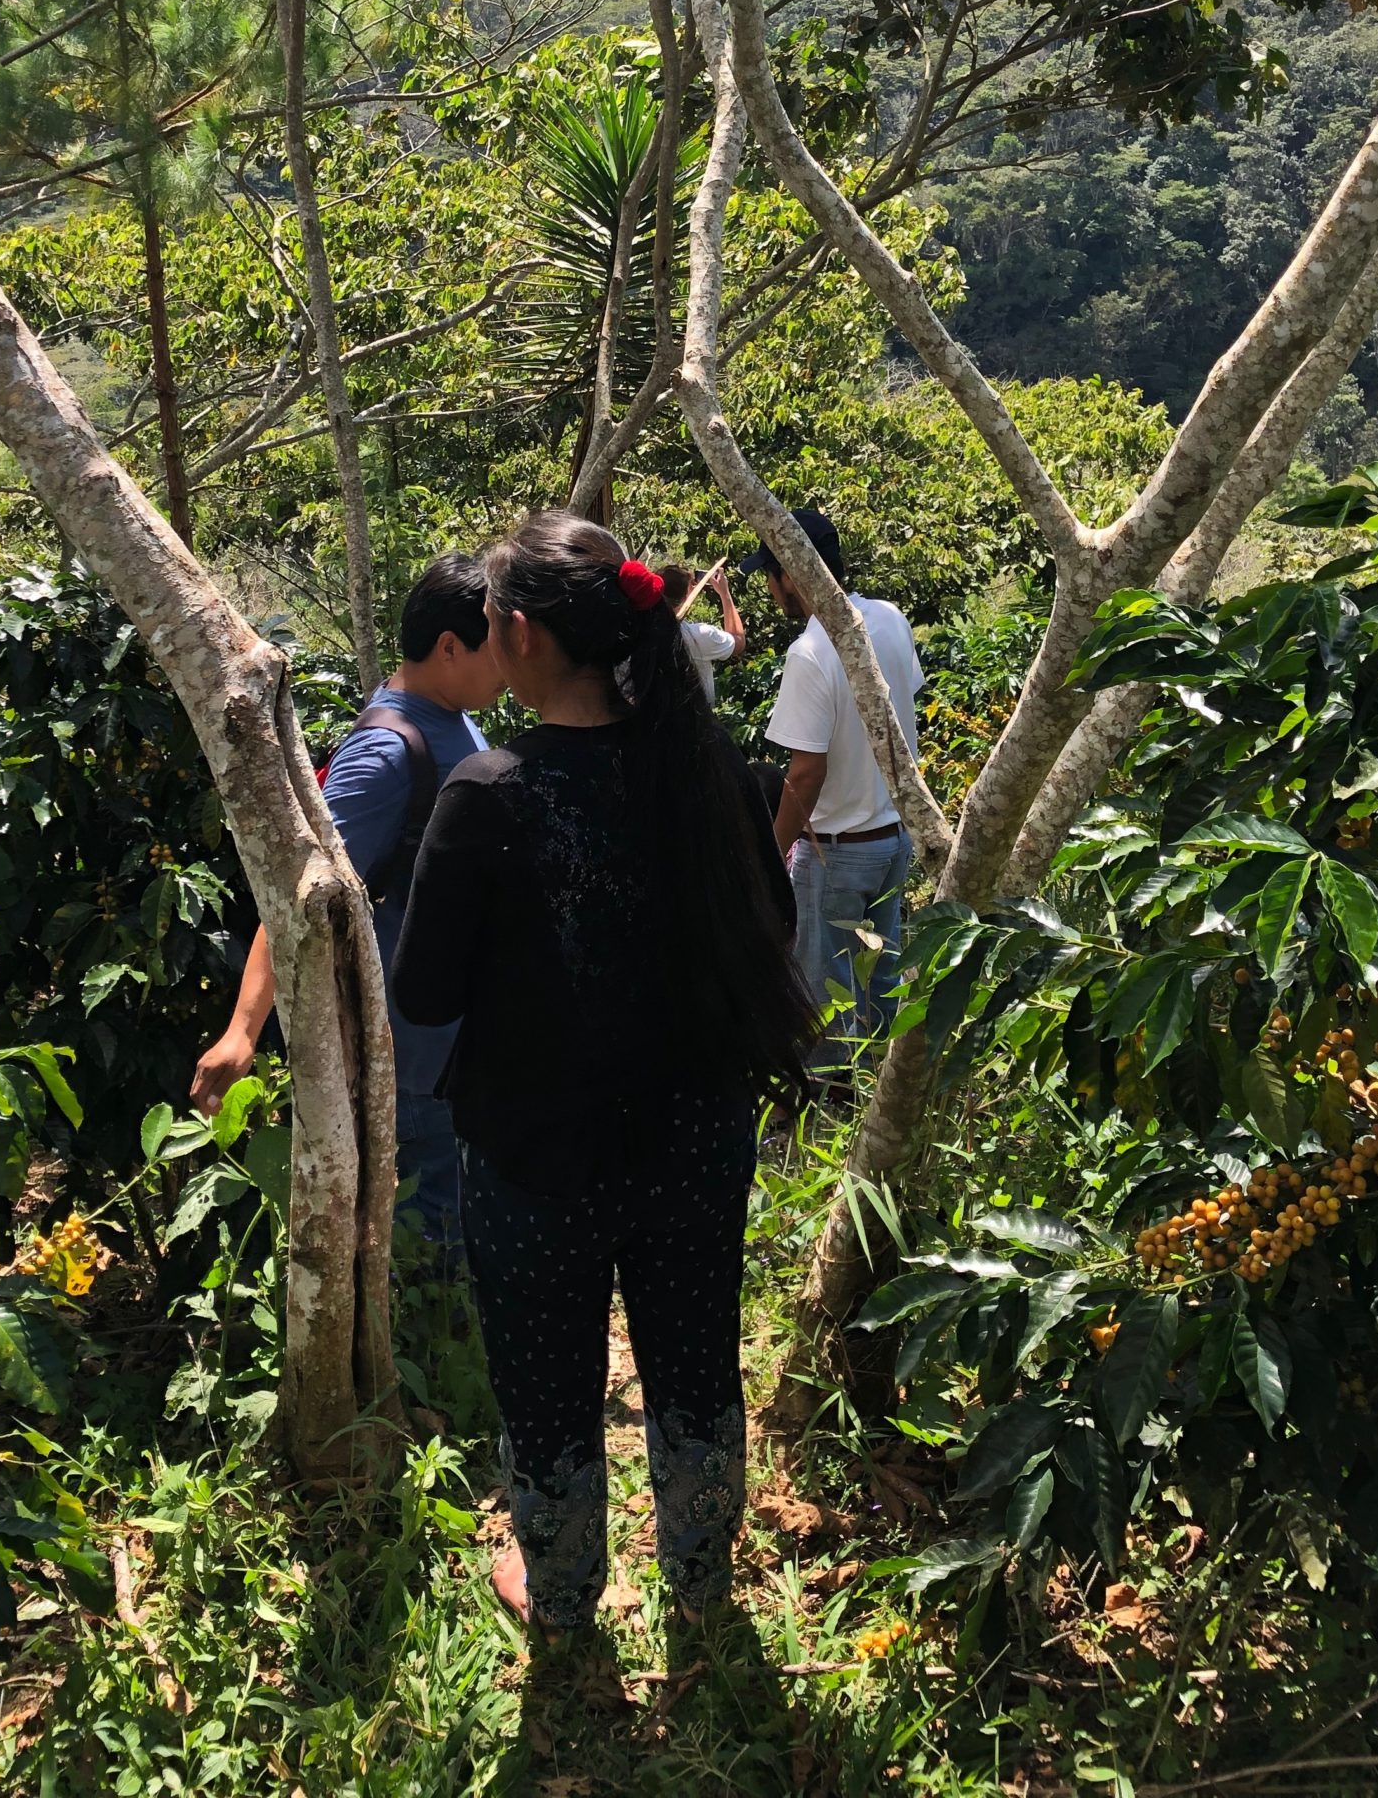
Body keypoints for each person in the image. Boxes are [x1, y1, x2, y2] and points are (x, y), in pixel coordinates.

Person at [394, 512, 815, 1635]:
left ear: (522, 635)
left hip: (538, 1155)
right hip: (695, 1139)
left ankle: (567, 1590)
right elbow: (771, 920)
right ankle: (701, 1581)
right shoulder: (708, 763)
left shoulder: (488, 793)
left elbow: (425, 993)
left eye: (489, 619)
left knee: (545, 1380)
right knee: (694, 1357)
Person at [191, 553, 504, 1244]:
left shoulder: (455, 717)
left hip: (454, 1044)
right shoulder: (388, 753)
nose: (509, 663)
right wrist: (244, 1030)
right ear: (450, 647)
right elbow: (301, 894)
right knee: (436, 1244)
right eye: (497, 645)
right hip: (413, 1053)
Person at [745, 505, 924, 1052]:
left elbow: (807, 771)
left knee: (827, 995)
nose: (773, 592)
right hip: (894, 837)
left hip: (838, 852)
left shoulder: (810, 651)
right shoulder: (890, 618)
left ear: (792, 574)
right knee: (880, 979)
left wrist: (772, 856)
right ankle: (879, 1095)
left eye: (773, 577)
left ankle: (831, 1107)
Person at [659, 555, 746, 702]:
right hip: (694, 722)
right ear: (686, 595)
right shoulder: (699, 636)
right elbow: (739, 642)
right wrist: (725, 594)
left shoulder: (641, 628)